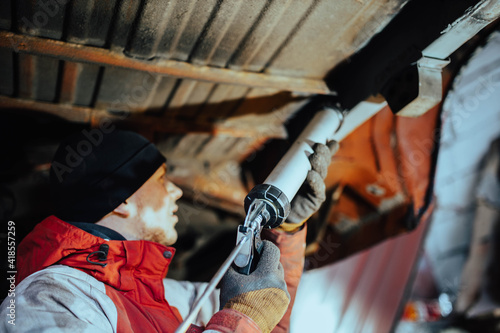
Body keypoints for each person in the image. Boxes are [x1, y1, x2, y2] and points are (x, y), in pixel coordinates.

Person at [0, 129, 335, 332]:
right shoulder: (50, 298)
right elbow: (246, 317)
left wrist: (285, 230)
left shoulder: (160, 295)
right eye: (161, 180)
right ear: (122, 201)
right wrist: (242, 320)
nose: (176, 192)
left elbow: (265, 311)